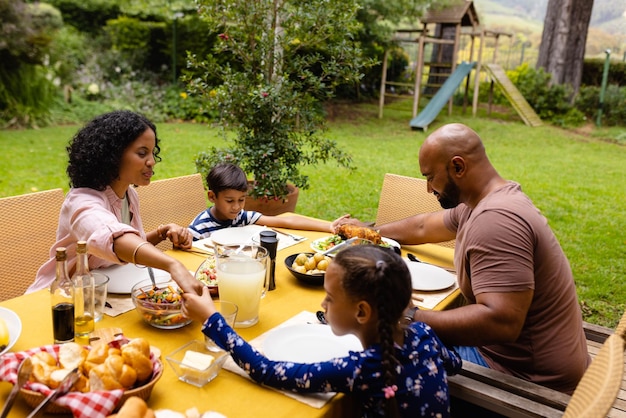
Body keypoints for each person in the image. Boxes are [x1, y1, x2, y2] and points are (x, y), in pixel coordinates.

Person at [345, 123, 590, 394]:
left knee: (380, 361)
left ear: (458, 167)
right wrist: (370, 233)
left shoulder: (495, 221)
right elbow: (423, 227)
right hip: (522, 358)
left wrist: (407, 316)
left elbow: (501, 321)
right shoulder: (483, 202)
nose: (428, 188)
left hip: (529, 379)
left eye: (430, 177)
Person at [183, 245, 461, 418]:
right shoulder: (423, 333)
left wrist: (211, 316)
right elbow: (454, 363)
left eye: (329, 297)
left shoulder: (362, 368)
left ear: (362, 312)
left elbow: (265, 370)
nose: (322, 304)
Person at [27, 110, 203, 295]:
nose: (152, 162)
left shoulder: (129, 195)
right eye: (142, 153)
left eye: (152, 153)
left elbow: (129, 246)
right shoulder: (81, 202)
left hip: (101, 295)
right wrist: (172, 265)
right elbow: (112, 238)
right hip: (59, 298)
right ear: (112, 155)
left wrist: (161, 233)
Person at [188, 163, 350, 240]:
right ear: (212, 197)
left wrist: (328, 226)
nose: (236, 206)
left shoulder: (241, 217)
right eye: (230, 201)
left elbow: (285, 221)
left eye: (242, 200)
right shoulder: (199, 228)